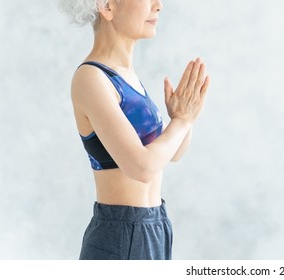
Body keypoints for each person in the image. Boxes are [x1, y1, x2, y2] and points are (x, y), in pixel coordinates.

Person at [59, 0, 210, 260]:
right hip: (121, 232)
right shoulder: (91, 78)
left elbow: (171, 154)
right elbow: (141, 167)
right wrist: (182, 121)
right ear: (106, 6)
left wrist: (183, 117)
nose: (158, 5)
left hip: (154, 224)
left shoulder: (127, 76)